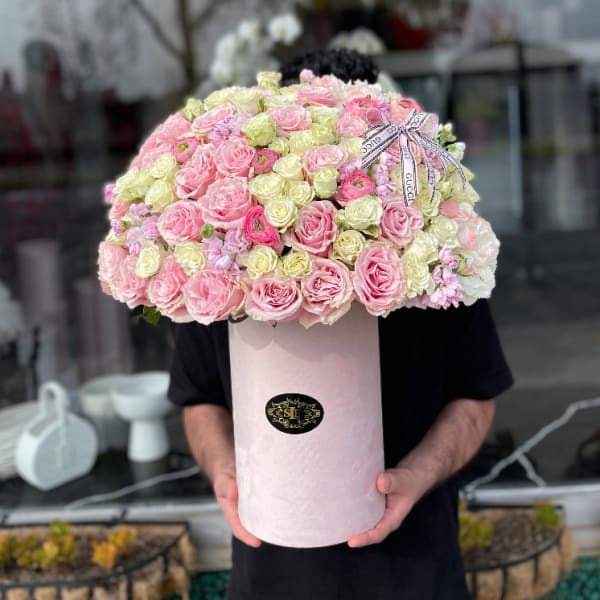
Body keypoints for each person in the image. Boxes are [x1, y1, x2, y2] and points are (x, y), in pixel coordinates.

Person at [168, 48, 514, 600]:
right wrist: (226, 473)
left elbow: (476, 396)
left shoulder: (441, 254)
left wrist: (415, 477)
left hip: (416, 576)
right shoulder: (222, 260)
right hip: (269, 576)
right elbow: (199, 398)